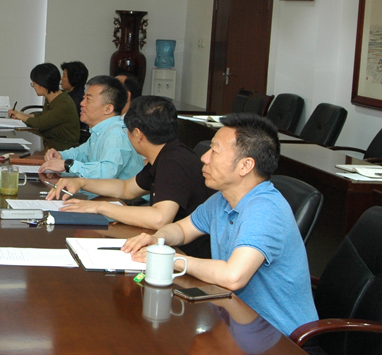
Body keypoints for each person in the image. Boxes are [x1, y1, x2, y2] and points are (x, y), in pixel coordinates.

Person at [122, 113, 317, 336]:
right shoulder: (222, 199)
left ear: (245, 165)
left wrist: (171, 259)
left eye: (214, 151)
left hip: (278, 337)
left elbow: (233, 276)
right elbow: (182, 230)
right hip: (236, 321)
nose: (204, 158)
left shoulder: (265, 209)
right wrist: (158, 239)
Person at [46, 96, 212, 257]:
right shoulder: (166, 155)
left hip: (187, 255)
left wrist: (100, 207)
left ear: (138, 134)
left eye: (127, 131)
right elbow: (126, 188)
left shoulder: (173, 162)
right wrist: (81, 182)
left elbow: (159, 218)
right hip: (168, 249)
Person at [39, 75, 144, 180]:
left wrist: (68, 165)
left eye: (88, 99)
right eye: (83, 98)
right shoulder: (101, 130)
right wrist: (60, 155)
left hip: (116, 191)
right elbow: (82, 153)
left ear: (108, 109)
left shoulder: (116, 134)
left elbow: (106, 173)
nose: (82, 103)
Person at [7, 63, 80, 151]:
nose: (33, 86)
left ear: (43, 85)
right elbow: (46, 116)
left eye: (34, 83)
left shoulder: (64, 103)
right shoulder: (52, 97)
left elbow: (40, 123)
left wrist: (22, 117)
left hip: (63, 150)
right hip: (49, 143)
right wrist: (24, 115)